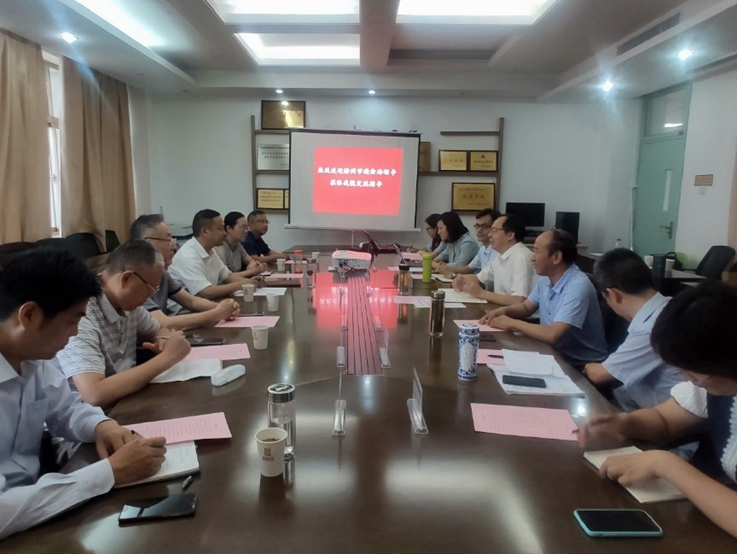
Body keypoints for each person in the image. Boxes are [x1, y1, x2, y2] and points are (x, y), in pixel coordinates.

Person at [0, 249, 167, 539]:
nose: (76, 332)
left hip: (39, 506)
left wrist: (102, 426)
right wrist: (109, 473)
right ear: (29, 315)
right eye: (71, 321)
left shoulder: (33, 357)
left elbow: (66, 409)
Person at [578, 281, 737, 540]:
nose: (687, 378)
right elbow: (664, 420)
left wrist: (667, 465)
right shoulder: (713, 383)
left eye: (692, 372)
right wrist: (622, 423)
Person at [57, 240, 191, 408]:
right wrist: (167, 357)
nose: (151, 296)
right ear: (126, 278)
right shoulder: (80, 315)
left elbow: (158, 329)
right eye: (150, 288)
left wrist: (163, 340)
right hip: (96, 416)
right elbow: (94, 394)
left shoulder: (129, 305)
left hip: (127, 400)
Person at [480, 229, 607, 366]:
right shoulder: (546, 278)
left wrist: (512, 323)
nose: (532, 258)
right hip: (552, 353)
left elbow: (553, 334)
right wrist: (504, 311)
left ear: (556, 257)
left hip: (580, 365)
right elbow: (526, 307)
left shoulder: (577, 285)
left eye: (536, 251)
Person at [584, 249, 685, 411]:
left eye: (605, 298)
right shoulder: (669, 305)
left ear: (613, 295)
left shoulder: (652, 327)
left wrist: (586, 367)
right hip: (637, 401)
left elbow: (599, 375)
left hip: (655, 416)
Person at [129, 214, 241, 330]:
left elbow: (191, 301)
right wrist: (217, 313)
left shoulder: (163, 274)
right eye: (168, 239)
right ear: (147, 242)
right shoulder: (134, 278)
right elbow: (162, 323)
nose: (174, 246)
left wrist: (226, 308)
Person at [170, 209, 259, 300]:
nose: (224, 233)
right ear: (205, 231)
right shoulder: (188, 256)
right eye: (220, 229)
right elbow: (206, 292)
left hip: (207, 304)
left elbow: (228, 276)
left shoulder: (211, 251)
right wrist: (241, 285)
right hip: (186, 308)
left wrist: (252, 282)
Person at [453, 213, 535, 306]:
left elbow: (519, 300)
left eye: (494, 230)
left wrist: (481, 293)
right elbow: (480, 278)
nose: (489, 235)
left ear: (510, 235)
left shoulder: (521, 258)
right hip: (502, 310)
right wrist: (461, 279)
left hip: (517, 314)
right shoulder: (500, 256)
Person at [437, 208, 499, 278]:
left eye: (484, 227)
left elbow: (486, 278)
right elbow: (468, 268)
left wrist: (452, 274)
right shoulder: (483, 249)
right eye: (477, 226)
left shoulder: (497, 251)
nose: (479, 230)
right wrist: (447, 269)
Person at [214, 211, 267, 277]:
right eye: (243, 227)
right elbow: (225, 277)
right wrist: (251, 271)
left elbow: (252, 261)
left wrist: (251, 266)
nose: (246, 231)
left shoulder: (238, 245)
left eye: (247, 228)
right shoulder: (220, 247)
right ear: (229, 229)